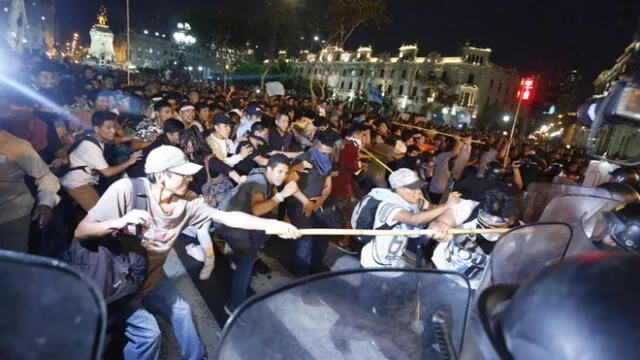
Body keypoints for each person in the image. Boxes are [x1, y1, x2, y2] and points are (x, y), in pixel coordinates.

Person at [74, 145, 300, 360]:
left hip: (152, 276)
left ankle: (197, 356)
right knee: (149, 335)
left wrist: (273, 226)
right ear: (161, 175)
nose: (190, 179)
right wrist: (119, 221)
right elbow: (82, 231)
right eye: (183, 174)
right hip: (120, 282)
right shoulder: (126, 190)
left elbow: (226, 216)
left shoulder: (188, 202)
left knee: (181, 310)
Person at [218, 154, 301, 313]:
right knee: (248, 259)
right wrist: (282, 195)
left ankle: (235, 253)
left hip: (235, 216)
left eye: (285, 173)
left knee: (267, 224)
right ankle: (233, 305)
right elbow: (256, 209)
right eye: (279, 172)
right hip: (228, 222)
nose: (282, 177)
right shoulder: (260, 181)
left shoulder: (264, 176)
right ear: (269, 169)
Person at [358, 169, 459, 270]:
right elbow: (414, 219)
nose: (419, 192)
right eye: (413, 188)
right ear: (399, 190)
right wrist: (446, 206)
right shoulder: (387, 206)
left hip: (395, 262)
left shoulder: (413, 201)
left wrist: (447, 209)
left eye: (418, 187)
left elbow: (430, 207)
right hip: (374, 264)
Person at [430, 189, 517, 289]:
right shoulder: (468, 208)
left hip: (469, 286)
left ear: (511, 220)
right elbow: (435, 225)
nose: (485, 228)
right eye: (482, 223)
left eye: (493, 226)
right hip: (441, 269)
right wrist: (439, 230)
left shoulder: (517, 236)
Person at [286, 130, 342, 276]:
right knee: (306, 240)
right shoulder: (303, 159)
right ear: (315, 146)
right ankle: (301, 274)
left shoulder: (327, 163)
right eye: (322, 152)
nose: (325, 156)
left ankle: (316, 266)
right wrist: (306, 202)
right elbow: (289, 182)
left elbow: (327, 186)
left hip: (317, 204)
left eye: (328, 153)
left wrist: (322, 198)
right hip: (299, 205)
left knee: (322, 237)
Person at [61, 111, 143, 211]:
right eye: (108, 128)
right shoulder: (90, 147)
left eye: (114, 127)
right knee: (101, 215)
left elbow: (116, 140)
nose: (113, 131)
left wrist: (133, 137)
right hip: (77, 184)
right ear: (97, 129)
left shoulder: (95, 138)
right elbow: (107, 172)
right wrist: (130, 161)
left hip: (87, 181)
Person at [0, 128, 61, 252]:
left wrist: (45, 203)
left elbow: (45, 176)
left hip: (11, 215)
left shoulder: (15, 145)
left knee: (12, 263)